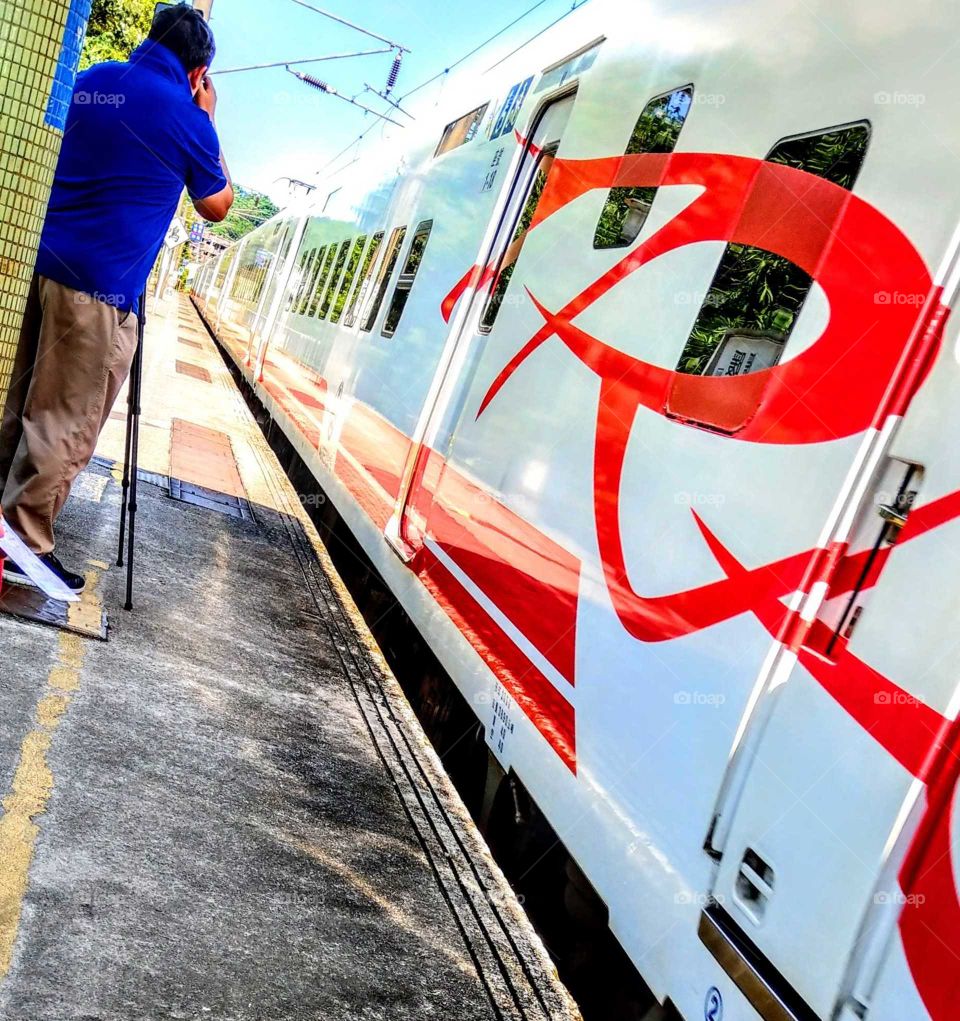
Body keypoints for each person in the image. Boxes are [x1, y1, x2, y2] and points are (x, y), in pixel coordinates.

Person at [0, 3, 234, 593]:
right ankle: (21, 547)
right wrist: (209, 117)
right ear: (198, 71)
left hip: (40, 263)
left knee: (19, 406)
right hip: (99, 292)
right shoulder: (188, 116)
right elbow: (218, 204)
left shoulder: (94, 80)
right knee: (64, 422)